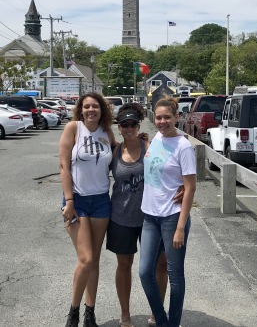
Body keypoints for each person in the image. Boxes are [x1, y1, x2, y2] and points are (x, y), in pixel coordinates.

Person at [106, 102, 183, 327]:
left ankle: (155, 312)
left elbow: (170, 167)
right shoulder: (114, 151)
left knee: (160, 265)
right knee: (124, 265)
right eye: (124, 124)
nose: (128, 128)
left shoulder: (150, 144)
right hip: (121, 216)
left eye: (132, 124)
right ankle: (125, 314)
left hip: (152, 216)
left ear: (138, 125)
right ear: (119, 127)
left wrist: (184, 186)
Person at [59, 92, 116, 327]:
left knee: (95, 261)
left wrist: (144, 142)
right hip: (78, 201)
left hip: (102, 200)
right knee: (86, 259)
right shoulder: (74, 128)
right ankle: (73, 311)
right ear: (80, 110)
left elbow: (123, 154)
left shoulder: (106, 132)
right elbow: (63, 165)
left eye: (95, 106)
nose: (91, 110)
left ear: (102, 110)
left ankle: (89, 313)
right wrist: (69, 200)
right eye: (86, 107)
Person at [139, 96, 197, 327]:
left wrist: (181, 227)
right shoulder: (157, 138)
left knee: (175, 276)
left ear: (177, 117)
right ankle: (162, 321)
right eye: (159, 117)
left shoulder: (183, 146)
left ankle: (173, 323)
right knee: (145, 272)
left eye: (167, 117)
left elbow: (191, 187)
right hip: (150, 216)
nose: (162, 121)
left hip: (173, 218)